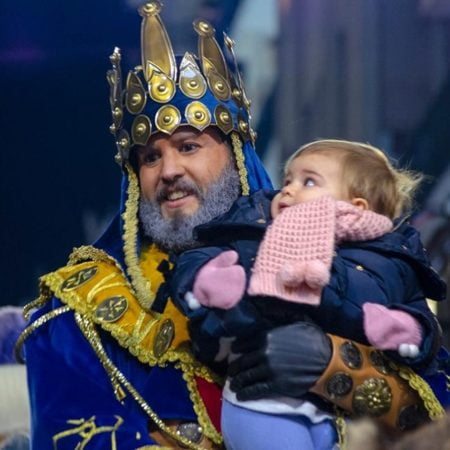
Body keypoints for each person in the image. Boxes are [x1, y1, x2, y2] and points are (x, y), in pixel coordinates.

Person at [17, 2, 444, 449]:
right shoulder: (74, 319)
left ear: (236, 156)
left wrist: (333, 366)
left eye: (188, 146)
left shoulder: (348, 257)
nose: (168, 171)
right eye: (150, 157)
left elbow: (438, 408)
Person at [170, 140, 448, 449]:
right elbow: (207, 275)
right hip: (261, 403)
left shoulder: (394, 258)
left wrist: (338, 359)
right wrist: (219, 286)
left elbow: (427, 371)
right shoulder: (252, 231)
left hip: (341, 421)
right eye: (287, 180)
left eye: (189, 148)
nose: (288, 189)